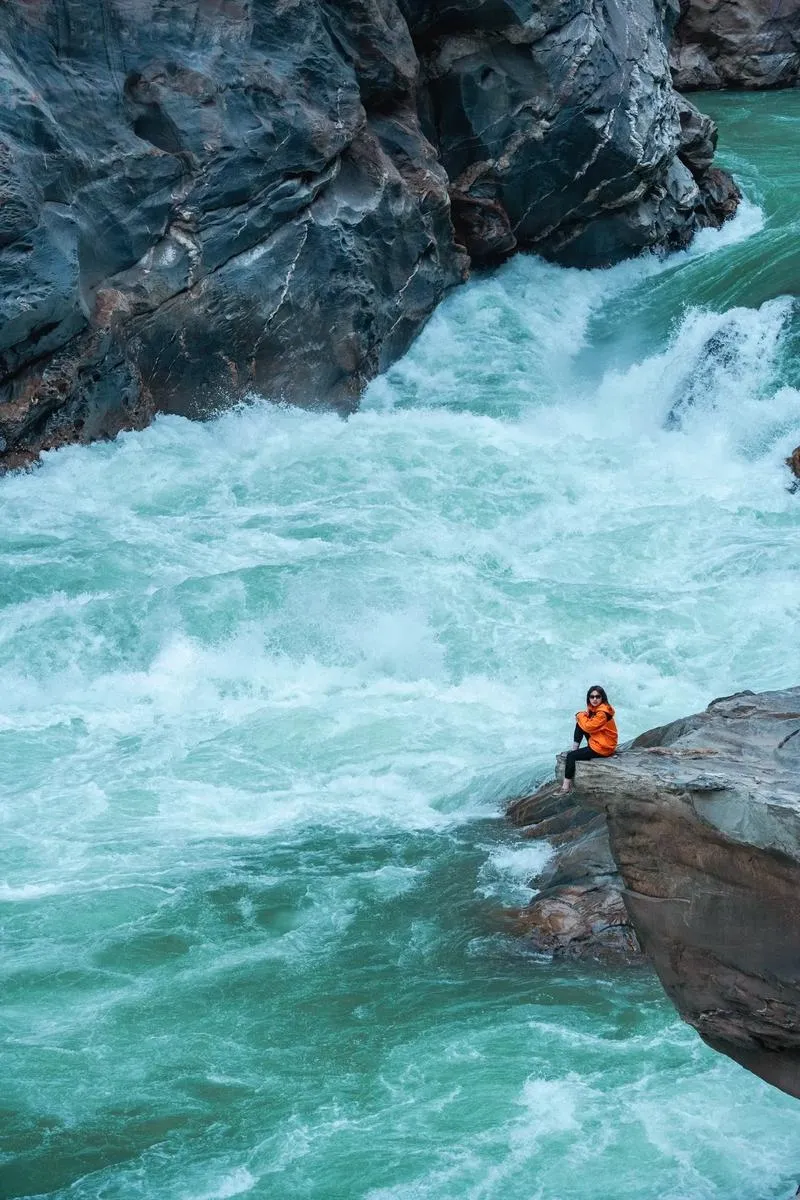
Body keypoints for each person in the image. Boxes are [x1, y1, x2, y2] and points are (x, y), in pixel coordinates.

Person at [560, 685, 618, 793]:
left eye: (598, 697)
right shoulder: (597, 709)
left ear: (602, 698)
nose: (595, 699)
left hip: (603, 747)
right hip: (602, 741)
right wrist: (582, 716)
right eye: (592, 697)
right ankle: (575, 748)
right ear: (589, 698)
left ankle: (565, 787)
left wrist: (579, 715)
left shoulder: (602, 713)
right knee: (580, 722)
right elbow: (586, 724)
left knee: (571, 757)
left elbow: (587, 727)